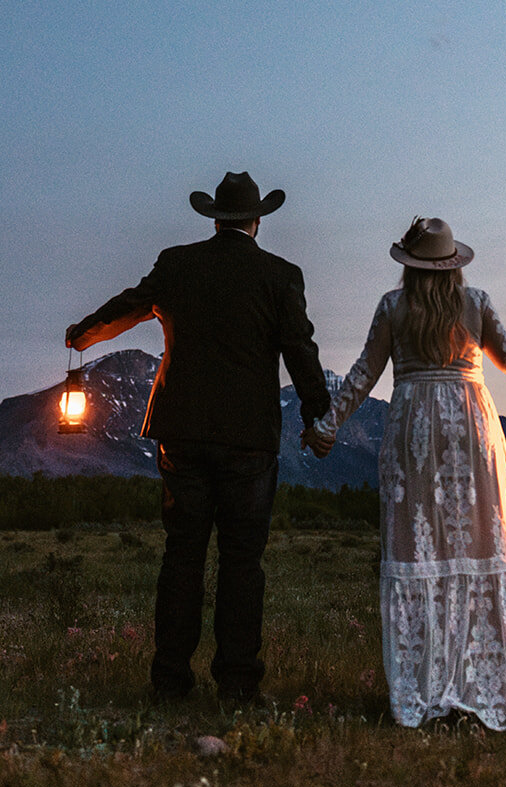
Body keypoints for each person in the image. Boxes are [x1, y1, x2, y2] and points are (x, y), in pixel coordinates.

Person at [302, 216, 506, 732]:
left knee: (422, 551)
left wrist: (327, 426)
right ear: (454, 263)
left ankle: (424, 685)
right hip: (471, 429)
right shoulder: (476, 303)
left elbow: (363, 375)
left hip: (414, 430)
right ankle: (484, 684)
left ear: (410, 267)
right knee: (481, 545)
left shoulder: (393, 306)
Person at [66, 171, 331, 703]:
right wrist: (317, 414)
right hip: (249, 439)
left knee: (182, 555)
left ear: (214, 219)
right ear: (258, 220)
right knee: (242, 561)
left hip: (181, 435)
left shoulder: (177, 264)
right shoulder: (280, 275)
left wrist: (81, 335)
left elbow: (128, 306)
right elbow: (300, 348)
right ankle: (236, 683)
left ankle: (169, 680)